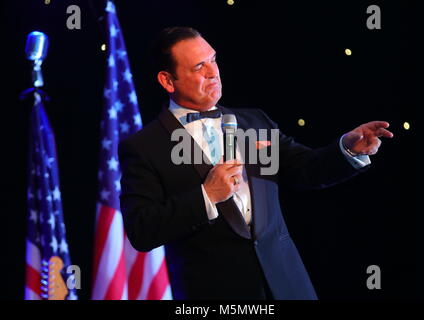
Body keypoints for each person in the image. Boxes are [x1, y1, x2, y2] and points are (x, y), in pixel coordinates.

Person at [118, 26, 393, 300]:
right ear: (168, 81)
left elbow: (307, 169)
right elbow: (142, 230)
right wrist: (207, 196)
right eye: (199, 66)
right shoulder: (144, 147)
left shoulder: (255, 121)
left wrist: (347, 148)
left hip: (289, 285)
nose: (213, 72)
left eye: (213, 60)